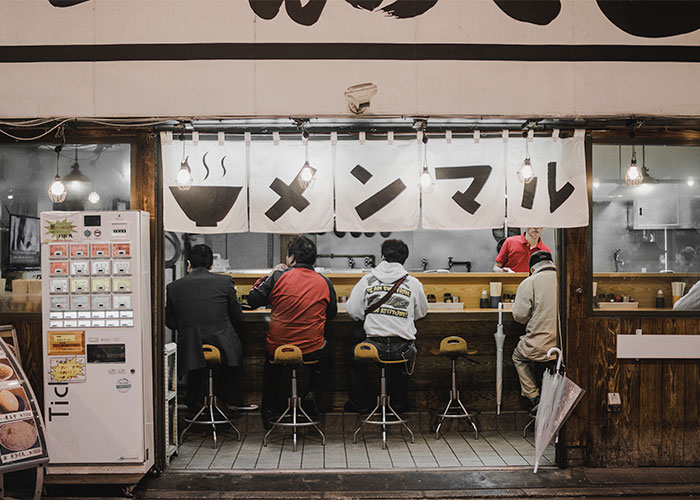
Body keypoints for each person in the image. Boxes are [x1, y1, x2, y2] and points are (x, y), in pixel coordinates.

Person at [247, 236, 337, 429]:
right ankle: (312, 394)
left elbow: (253, 299)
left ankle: (269, 409)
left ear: (292, 258)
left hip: (278, 348)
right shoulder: (325, 282)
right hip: (312, 350)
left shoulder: (278, 277)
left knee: (272, 365)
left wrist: (270, 274)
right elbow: (332, 314)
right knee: (327, 358)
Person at [345, 239, 429, 414]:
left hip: (373, 347)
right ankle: (398, 407)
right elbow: (421, 312)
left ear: (382, 256)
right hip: (403, 348)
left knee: (353, 358)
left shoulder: (367, 281)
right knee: (402, 363)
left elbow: (353, 312)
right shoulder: (413, 283)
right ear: (404, 260)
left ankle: (362, 405)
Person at [165, 244, 244, 416]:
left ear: (188, 264)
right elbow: (237, 316)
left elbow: (170, 321)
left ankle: (194, 399)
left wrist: (189, 327)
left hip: (190, 348)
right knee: (234, 357)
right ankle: (219, 399)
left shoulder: (173, 287)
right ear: (211, 265)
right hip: (222, 347)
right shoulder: (225, 282)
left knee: (196, 361)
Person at [511, 250, 558, 414]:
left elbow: (519, 317)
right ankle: (556, 400)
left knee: (519, 357)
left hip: (539, 346)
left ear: (532, 269)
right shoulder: (566, 279)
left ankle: (534, 397)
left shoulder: (529, 282)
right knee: (557, 364)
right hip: (563, 347)